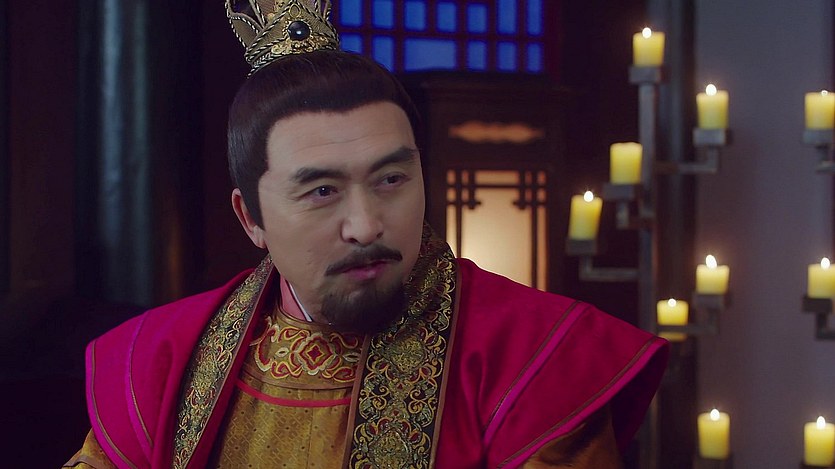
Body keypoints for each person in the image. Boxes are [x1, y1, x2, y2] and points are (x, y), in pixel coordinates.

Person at [65, 1, 669, 468]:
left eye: (391, 179)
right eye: (321, 191)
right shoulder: (158, 364)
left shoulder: (533, 361)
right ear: (251, 219)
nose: (366, 225)